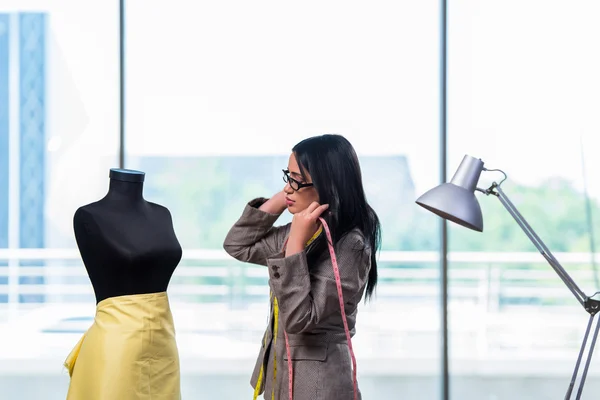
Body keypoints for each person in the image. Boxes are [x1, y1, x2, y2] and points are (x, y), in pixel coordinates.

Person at [223, 134, 381, 400]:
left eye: (296, 179)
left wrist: (295, 242)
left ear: (327, 183)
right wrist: (278, 203)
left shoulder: (351, 245)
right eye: (288, 176)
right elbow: (237, 245)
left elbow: (299, 319)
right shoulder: (305, 228)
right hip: (280, 379)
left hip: (320, 386)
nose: (288, 187)